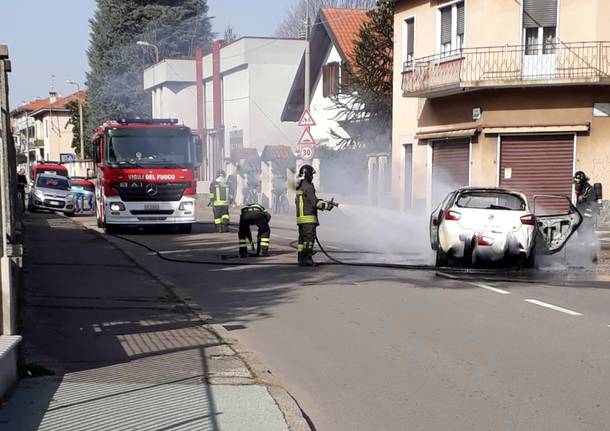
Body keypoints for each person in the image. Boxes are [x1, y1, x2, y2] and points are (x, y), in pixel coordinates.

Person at [295, 164, 335, 266]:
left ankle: (301, 258)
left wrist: (324, 201)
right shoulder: (308, 187)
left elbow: (308, 200)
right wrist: (327, 206)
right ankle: (307, 259)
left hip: (301, 219)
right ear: (307, 175)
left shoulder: (300, 187)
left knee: (302, 240)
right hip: (309, 218)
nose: (312, 177)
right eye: (311, 175)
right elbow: (315, 203)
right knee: (309, 239)